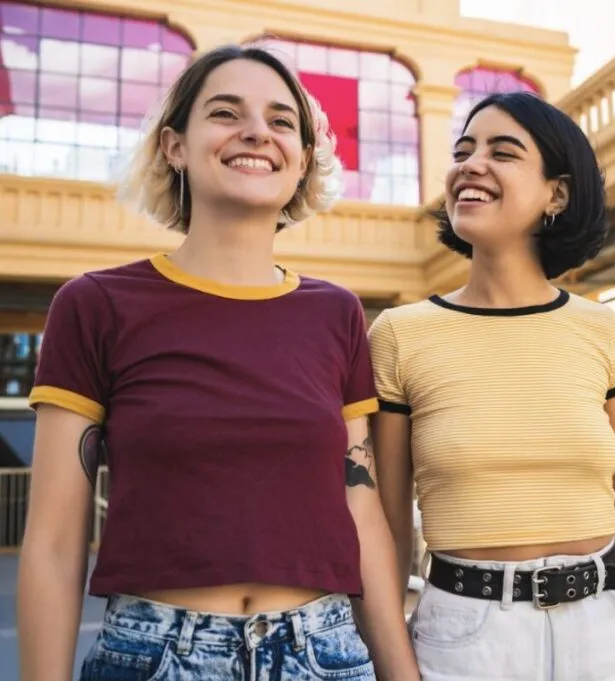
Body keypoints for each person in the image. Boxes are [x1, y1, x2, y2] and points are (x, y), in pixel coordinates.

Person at [17, 44, 419, 681]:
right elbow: (55, 544)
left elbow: (360, 510)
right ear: (175, 146)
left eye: (283, 121)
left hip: (324, 653)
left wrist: (402, 675)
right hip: (155, 656)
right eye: (226, 113)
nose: (257, 131)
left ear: (304, 158)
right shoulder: (94, 305)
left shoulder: (337, 313)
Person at [368, 91, 615, 680]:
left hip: (609, 634)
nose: (471, 165)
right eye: (463, 150)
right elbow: (388, 528)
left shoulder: (601, 330)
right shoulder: (401, 334)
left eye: (503, 152)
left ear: (556, 193)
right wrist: (395, 668)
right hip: (465, 641)